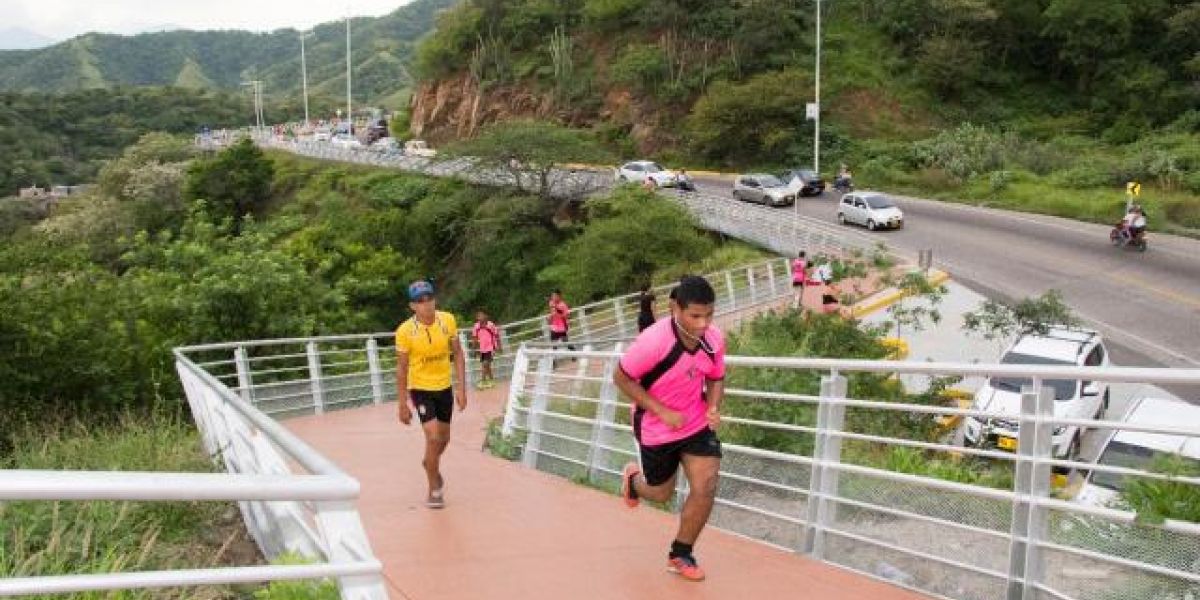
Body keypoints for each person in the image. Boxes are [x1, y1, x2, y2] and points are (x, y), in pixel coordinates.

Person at [616, 275, 726, 582]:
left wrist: (714, 407)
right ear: (674, 308)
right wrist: (662, 411)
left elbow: (716, 376)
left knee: (706, 485)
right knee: (661, 493)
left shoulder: (713, 339)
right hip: (656, 427)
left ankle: (681, 553)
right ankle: (633, 482)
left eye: (709, 315)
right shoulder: (652, 341)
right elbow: (621, 379)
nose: (704, 323)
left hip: (695, 423)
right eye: (695, 316)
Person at [395, 280, 468, 509]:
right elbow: (401, 368)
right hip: (421, 389)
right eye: (420, 301)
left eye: (429, 299)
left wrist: (461, 388)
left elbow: (458, 354)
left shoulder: (447, 320)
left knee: (444, 439)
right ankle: (433, 489)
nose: (426, 305)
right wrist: (402, 404)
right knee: (434, 437)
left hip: (444, 387)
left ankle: (429, 463)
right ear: (412, 306)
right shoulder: (405, 331)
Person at [472, 310, 501, 389]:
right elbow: (474, 338)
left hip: (491, 347)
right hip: (482, 349)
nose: (479, 317)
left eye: (481, 315)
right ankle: (491, 380)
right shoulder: (476, 326)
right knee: (487, 366)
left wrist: (499, 346)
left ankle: (483, 380)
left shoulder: (490, 325)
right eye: (478, 316)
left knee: (485, 364)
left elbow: (497, 335)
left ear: (486, 316)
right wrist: (474, 350)